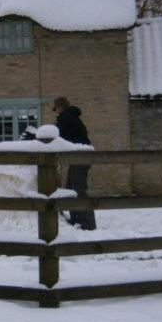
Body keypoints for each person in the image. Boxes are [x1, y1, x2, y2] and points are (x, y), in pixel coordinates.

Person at [52, 96, 97, 230]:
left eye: (56, 109)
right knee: (73, 187)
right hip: (80, 156)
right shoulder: (72, 117)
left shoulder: (65, 118)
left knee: (77, 189)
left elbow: (57, 137)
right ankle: (78, 219)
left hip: (80, 157)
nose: (56, 112)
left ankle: (87, 223)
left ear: (60, 107)